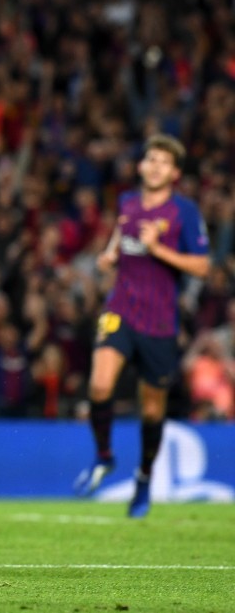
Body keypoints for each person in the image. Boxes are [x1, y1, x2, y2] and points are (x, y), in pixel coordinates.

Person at [73, 134, 209, 517]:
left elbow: (202, 265)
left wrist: (158, 249)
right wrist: (109, 255)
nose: (155, 166)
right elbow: (120, 235)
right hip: (120, 308)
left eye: (164, 162)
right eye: (151, 159)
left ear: (175, 173)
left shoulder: (184, 212)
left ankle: (145, 477)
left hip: (160, 321)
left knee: (151, 410)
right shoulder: (127, 203)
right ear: (140, 166)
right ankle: (104, 456)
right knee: (100, 384)